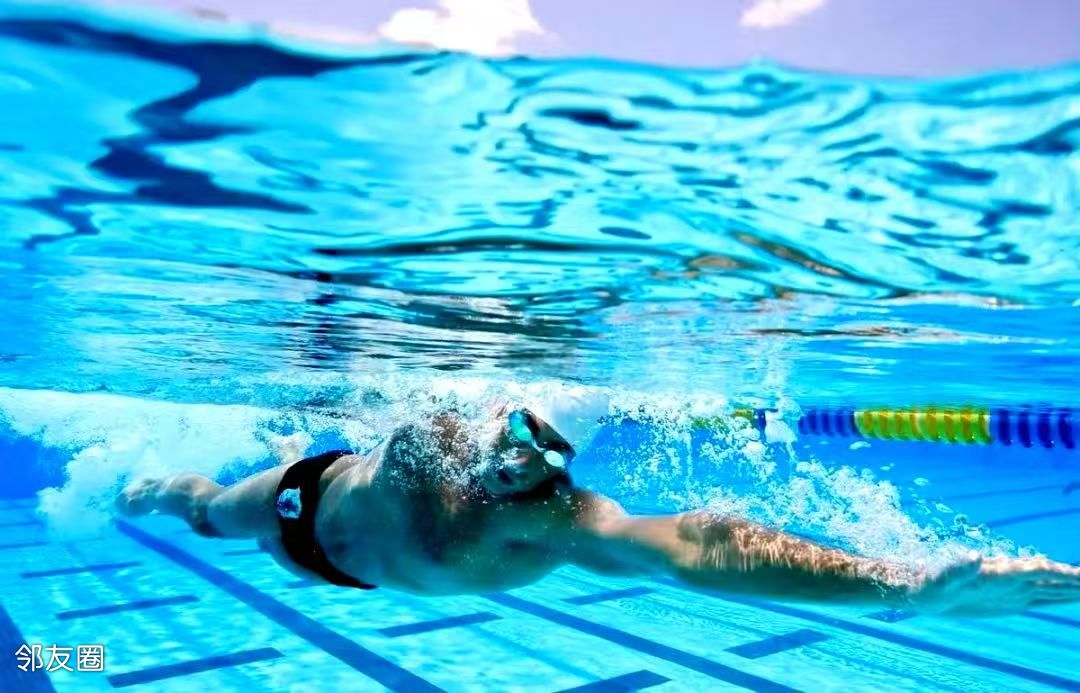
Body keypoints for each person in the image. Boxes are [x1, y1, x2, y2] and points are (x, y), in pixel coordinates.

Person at [116, 398, 1080, 616]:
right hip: (305, 494)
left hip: (342, 564)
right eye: (511, 437)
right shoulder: (434, 424)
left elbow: (700, 544)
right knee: (200, 510)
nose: (514, 467)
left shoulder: (552, 520)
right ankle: (145, 480)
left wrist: (896, 583)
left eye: (542, 458)